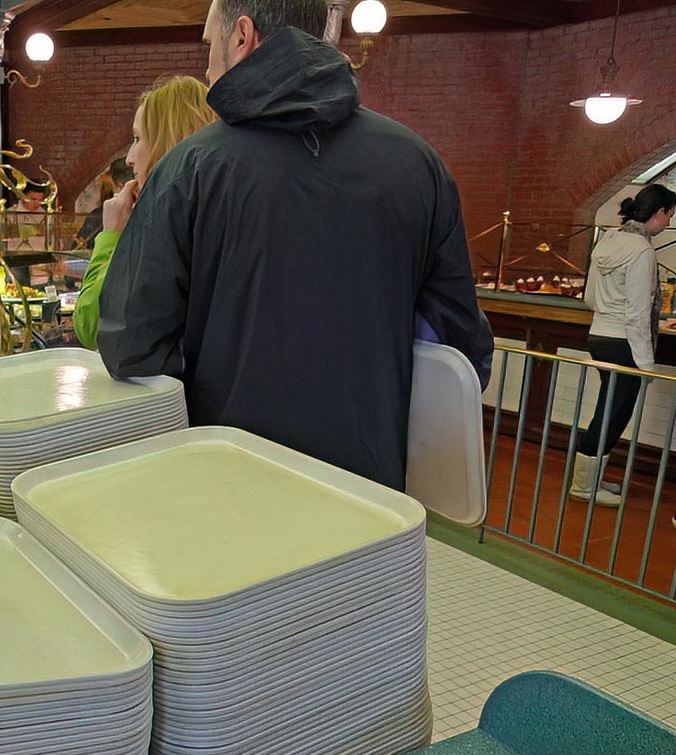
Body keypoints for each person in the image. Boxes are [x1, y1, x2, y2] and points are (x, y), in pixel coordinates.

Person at [95, 0, 494, 491]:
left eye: (210, 44)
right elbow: (460, 344)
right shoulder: (419, 164)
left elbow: (129, 345)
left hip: (226, 479)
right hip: (368, 488)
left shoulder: (190, 169)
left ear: (243, 36)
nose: (206, 65)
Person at [75, 76, 217, 349]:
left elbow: (93, 326)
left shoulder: (161, 224)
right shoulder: (217, 205)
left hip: (171, 388)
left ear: (168, 142)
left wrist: (112, 237)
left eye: (138, 138)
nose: (129, 157)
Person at [569, 184, 676, 507]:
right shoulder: (642, 251)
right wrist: (647, 365)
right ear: (657, 213)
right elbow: (638, 314)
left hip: (599, 335)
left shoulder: (608, 240)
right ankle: (584, 486)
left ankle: (591, 479)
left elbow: (590, 298)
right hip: (625, 342)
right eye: (669, 215)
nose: (669, 222)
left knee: (608, 409)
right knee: (613, 414)